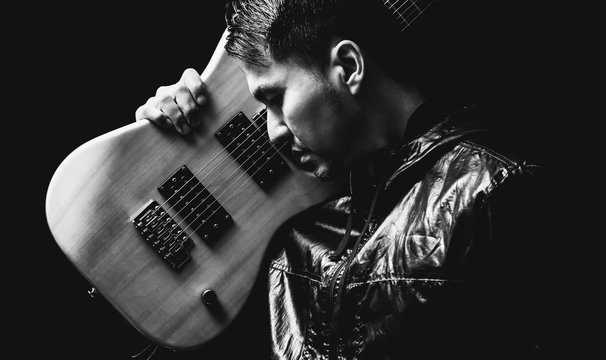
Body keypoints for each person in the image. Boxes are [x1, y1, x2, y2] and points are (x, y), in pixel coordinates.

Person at [135, 1, 550, 359]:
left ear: (348, 67)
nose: (272, 131)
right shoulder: (305, 222)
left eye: (276, 99)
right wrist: (160, 150)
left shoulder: (498, 194)